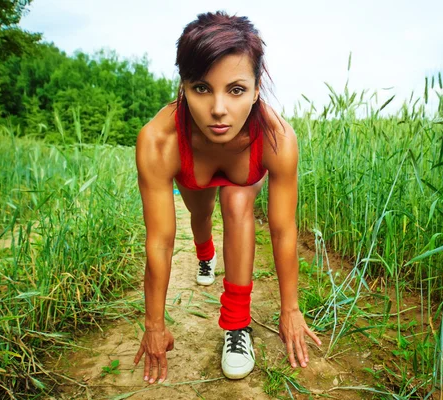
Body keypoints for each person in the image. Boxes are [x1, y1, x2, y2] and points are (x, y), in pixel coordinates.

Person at [133, 11, 321, 384]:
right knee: (200, 215)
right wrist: (154, 323)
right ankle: (205, 256)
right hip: (193, 171)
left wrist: (291, 308)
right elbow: (160, 241)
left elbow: (284, 232)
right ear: (184, 86)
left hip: (243, 177)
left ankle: (237, 327)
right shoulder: (158, 140)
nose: (218, 109)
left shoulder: (277, 138)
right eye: (202, 88)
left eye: (235, 89)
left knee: (237, 204)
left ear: (254, 90)